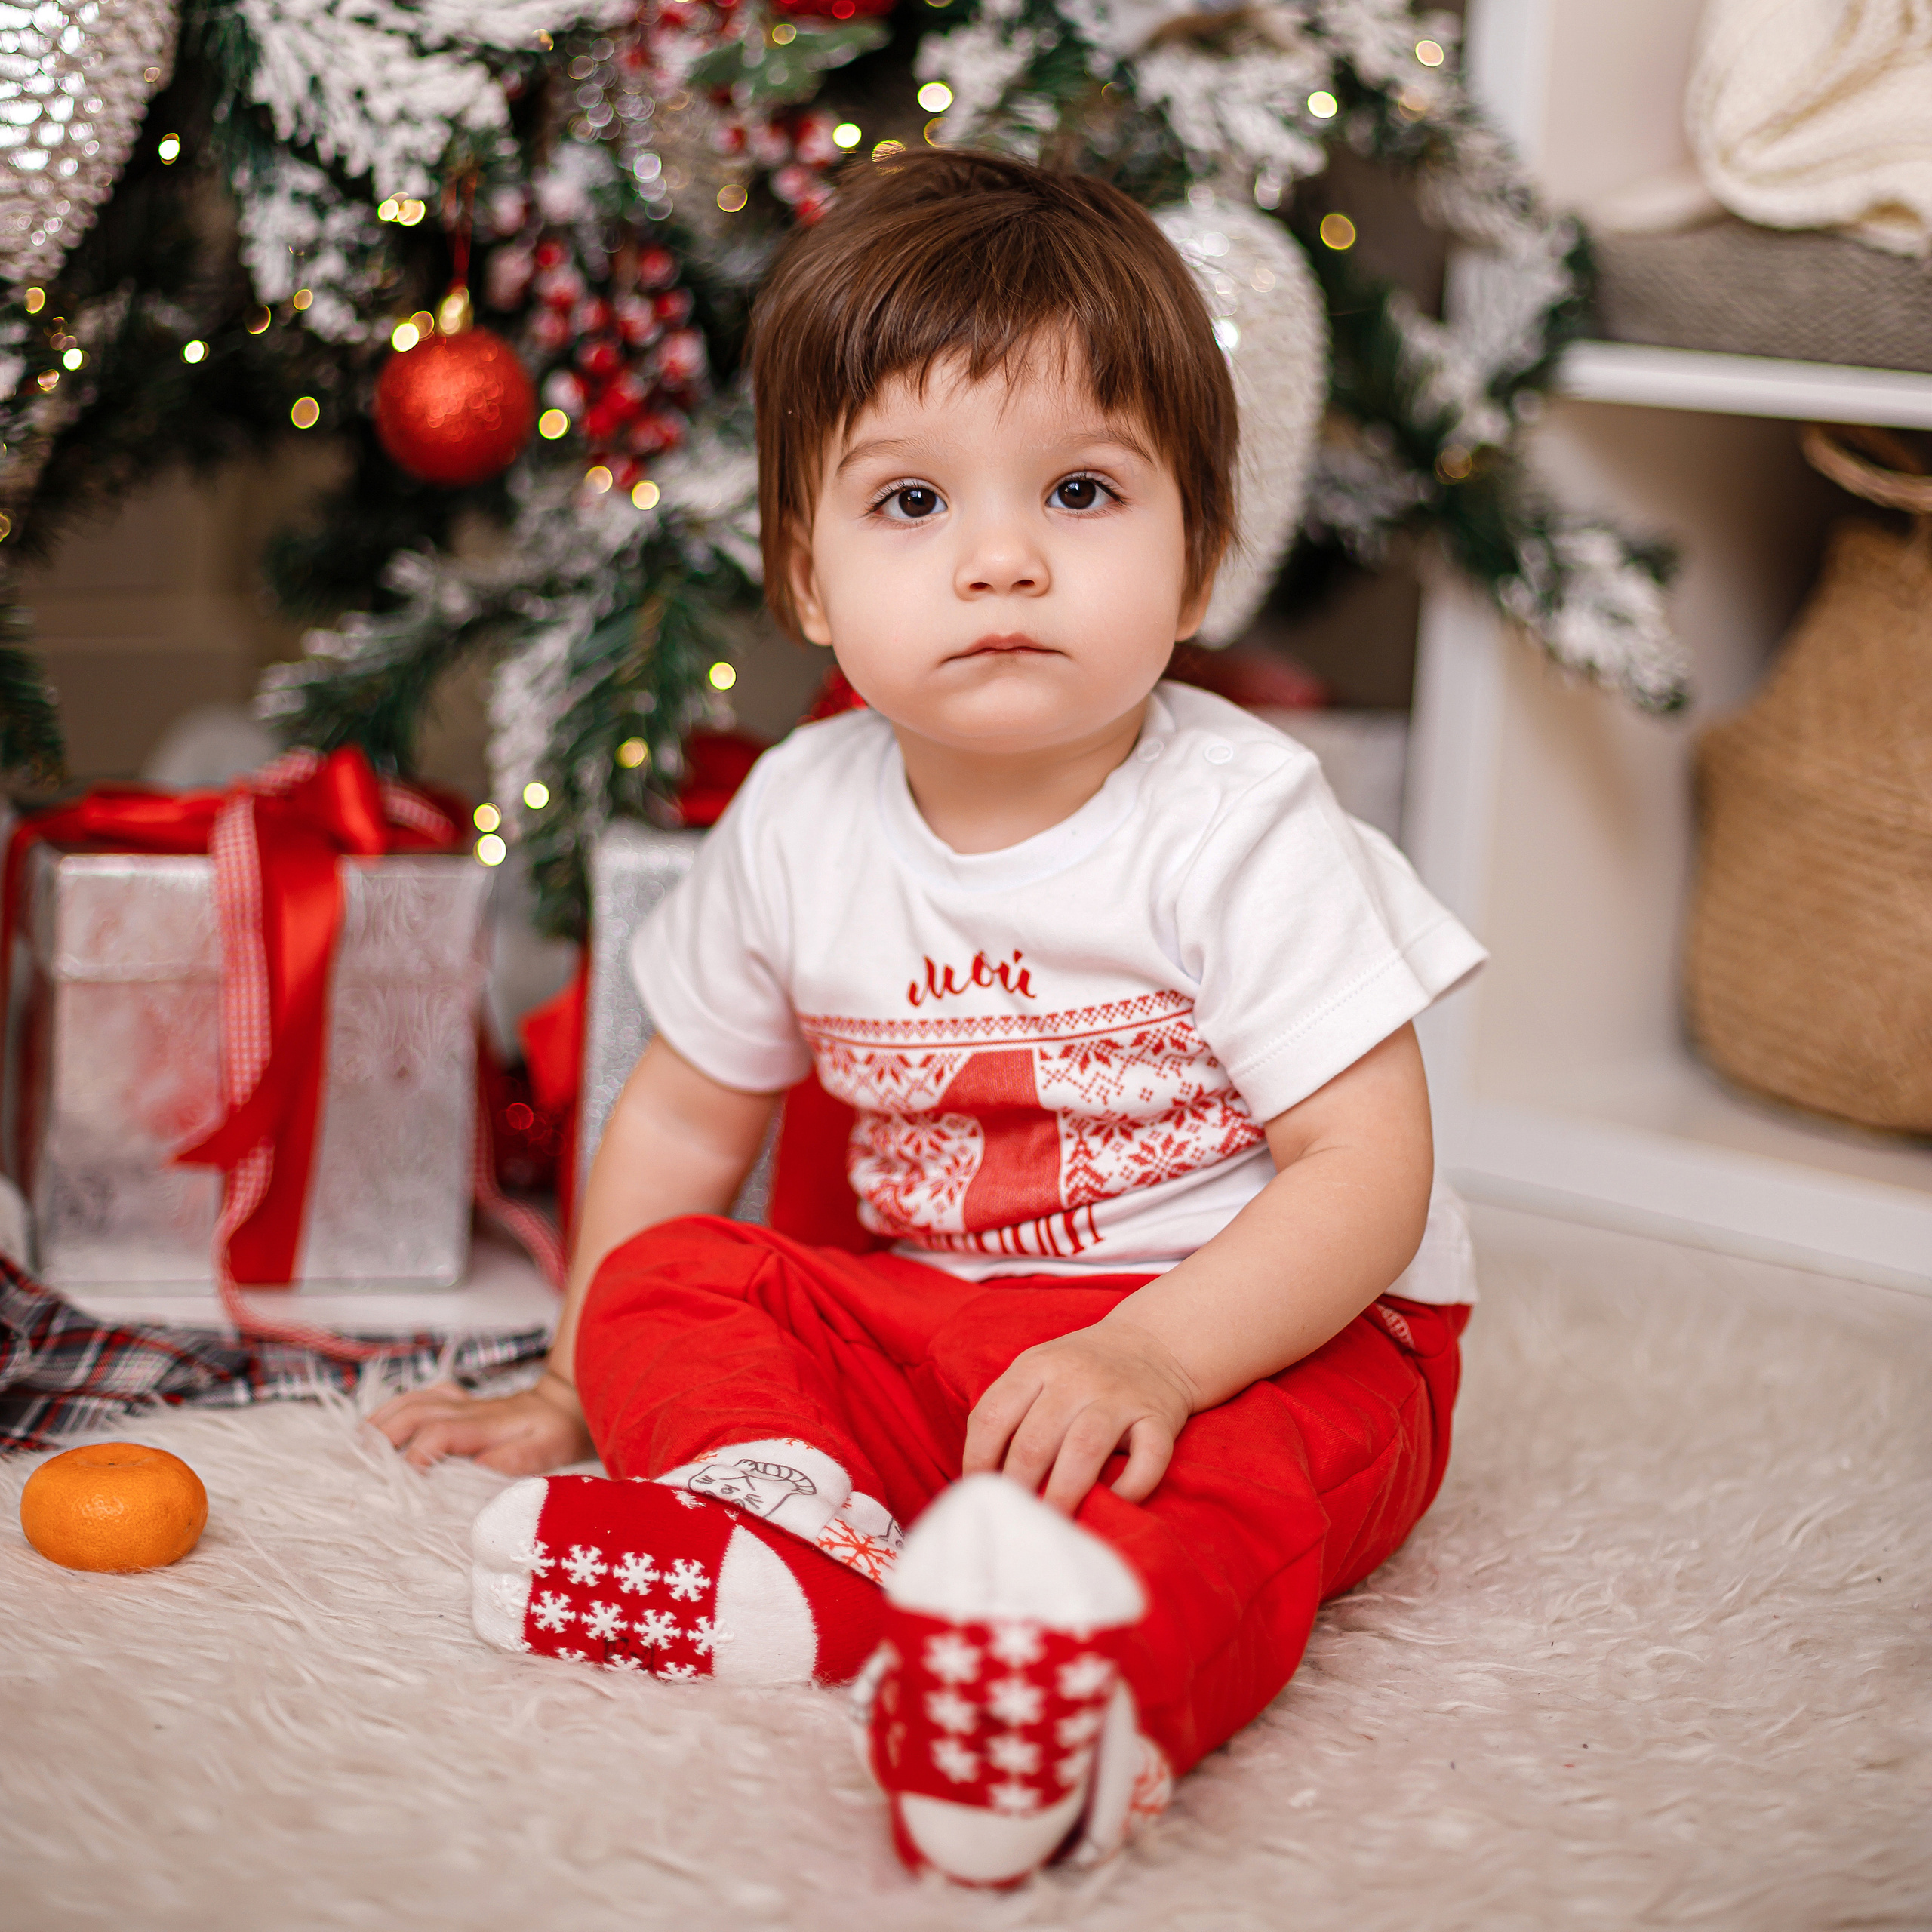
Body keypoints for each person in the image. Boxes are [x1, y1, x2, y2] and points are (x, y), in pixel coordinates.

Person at [372, 149, 1485, 1887]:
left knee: (1237, 1485)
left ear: (1194, 557)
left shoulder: (1240, 819)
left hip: (1271, 1324)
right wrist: (588, 1380)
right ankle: (796, 1537)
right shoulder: (800, 820)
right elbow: (677, 1128)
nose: (997, 563)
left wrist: (1159, 1354)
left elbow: (1366, 1169)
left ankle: (1068, 1697)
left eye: (1079, 493)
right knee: (670, 1276)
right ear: (806, 581)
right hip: (949, 1325)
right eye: (909, 505)